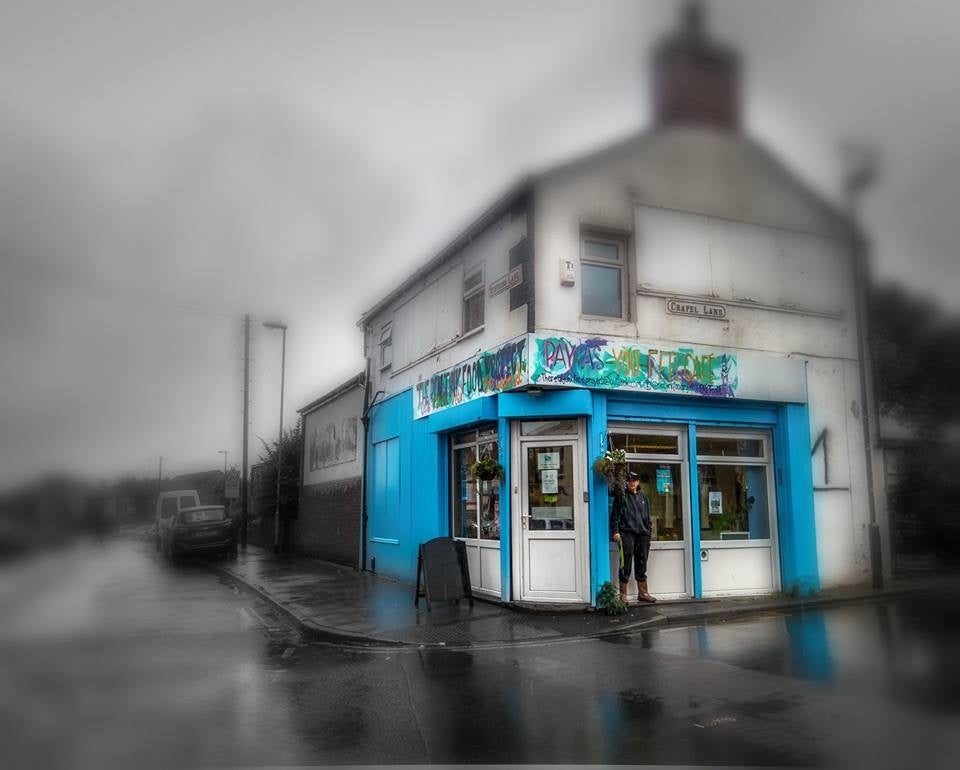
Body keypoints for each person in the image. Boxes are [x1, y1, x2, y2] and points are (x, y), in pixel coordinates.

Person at [610, 471, 657, 603]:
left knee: (642, 562)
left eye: (634, 480)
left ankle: (643, 593)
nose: (632, 482)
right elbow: (615, 515)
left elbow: (647, 516)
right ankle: (623, 595)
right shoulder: (621, 496)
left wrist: (649, 532)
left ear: (638, 482)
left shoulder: (643, 497)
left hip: (643, 534)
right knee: (625, 563)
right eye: (629, 480)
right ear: (626, 482)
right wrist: (615, 531)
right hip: (627, 533)